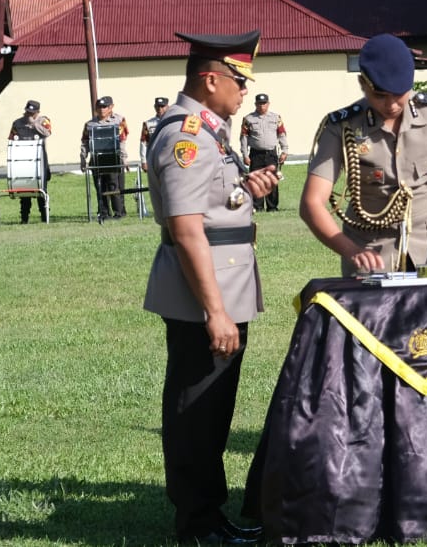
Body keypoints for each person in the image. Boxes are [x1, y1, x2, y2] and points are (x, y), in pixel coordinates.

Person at [143, 29, 279, 546]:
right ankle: (198, 525)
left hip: (222, 286)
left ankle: (208, 518)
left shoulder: (209, 131)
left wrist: (245, 191)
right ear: (210, 79)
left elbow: (211, 204)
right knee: (197, 411)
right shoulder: (187, 136)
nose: (245, 91)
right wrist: (215, 311)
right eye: (238, 80)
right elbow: (185, 227)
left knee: (213, 406)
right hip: (206, 295)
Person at [300, 33, 427, 276]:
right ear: (362, 83)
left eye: (399, 93)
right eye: (379, 95)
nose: (390, 104)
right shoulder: (342, 126)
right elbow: (312, 203)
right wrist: (351, 250)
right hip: (370, 256)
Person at [81, 95, 129, 221]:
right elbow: (85, 143)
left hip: (113, 159)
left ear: (111, 107)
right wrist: (83, 159)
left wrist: (124, 159)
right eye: (99, 107)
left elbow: (122, 140)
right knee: (100, 186)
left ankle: (119, 212)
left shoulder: (119, 120)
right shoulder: (90, 124)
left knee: (114, 186)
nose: (101, 109)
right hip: (97, 160)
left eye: (104, 106)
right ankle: (104, 213)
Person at [240, 93, 288, 211]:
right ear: (255, 104)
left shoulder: (276, 118)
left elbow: (281, 134)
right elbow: (244, 138)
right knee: (255, 181)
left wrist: (284, 150)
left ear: (268, 104)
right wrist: (245, 155)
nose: (262, 106)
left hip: (271, 154)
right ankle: (258, 206)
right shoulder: (248, 119)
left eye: (264, 103)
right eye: (259, 103)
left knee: (272, 180)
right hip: (256, 155)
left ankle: (272, 207)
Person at [8, 99, 52, 223]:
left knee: (41, 188)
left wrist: (34, 124)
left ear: (38, 112)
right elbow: (11, 138)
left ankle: (45, 217)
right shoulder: (17, 123)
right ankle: (24, 218)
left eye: (32, 112)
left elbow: (48, 132)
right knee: (25, 189)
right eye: (27, 112)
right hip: (23, 159)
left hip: (39, 158)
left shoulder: (44, 120)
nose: (29, 114)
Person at [140, 96, 170, 173]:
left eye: (162, 106)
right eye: (157, 106)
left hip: (169, 158)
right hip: (154, 159)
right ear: (154, 107)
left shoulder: (172, 121)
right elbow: (144, 143)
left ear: (167, 107)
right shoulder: (148, 124)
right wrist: (144, 161)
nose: (159, 109)